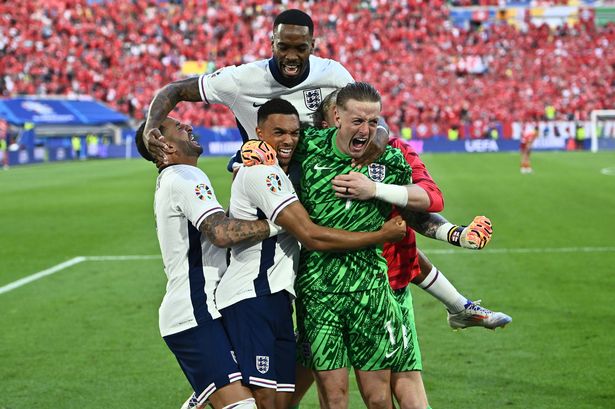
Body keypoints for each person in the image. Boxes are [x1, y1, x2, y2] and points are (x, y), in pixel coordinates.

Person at [215, 98, 408, 409]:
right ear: (258, 133)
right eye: (278, 133)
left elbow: (371, 137)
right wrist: (381, 236)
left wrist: (378, 136)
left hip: (280, 297)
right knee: (264, 399)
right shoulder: (262, 173)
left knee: (279, 399)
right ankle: (204, 394)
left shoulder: (290, 165)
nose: (289, 140)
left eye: (294, 133)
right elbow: (311, 235)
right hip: (255, 297)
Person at [133, 117, 286, 409]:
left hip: (208, 308)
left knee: (259, 392)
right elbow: (221, 233)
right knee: (245, 406)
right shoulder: (183, 177)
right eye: (178, 128)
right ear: (163, 144)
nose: (189, 127)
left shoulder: (177, 179)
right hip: (193, 311)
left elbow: (222, 226)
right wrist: (283, 223)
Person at [142, 9, 377, 168]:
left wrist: (381, 136)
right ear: (272, 43)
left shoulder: (333, 74)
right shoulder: (241, 79)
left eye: (301, 48)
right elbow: (175, 89)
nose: (291, 57)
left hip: (319, 175)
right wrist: (150, 127)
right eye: (283, 47)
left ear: (312, 46)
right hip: (264, 178)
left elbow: (368, 116)